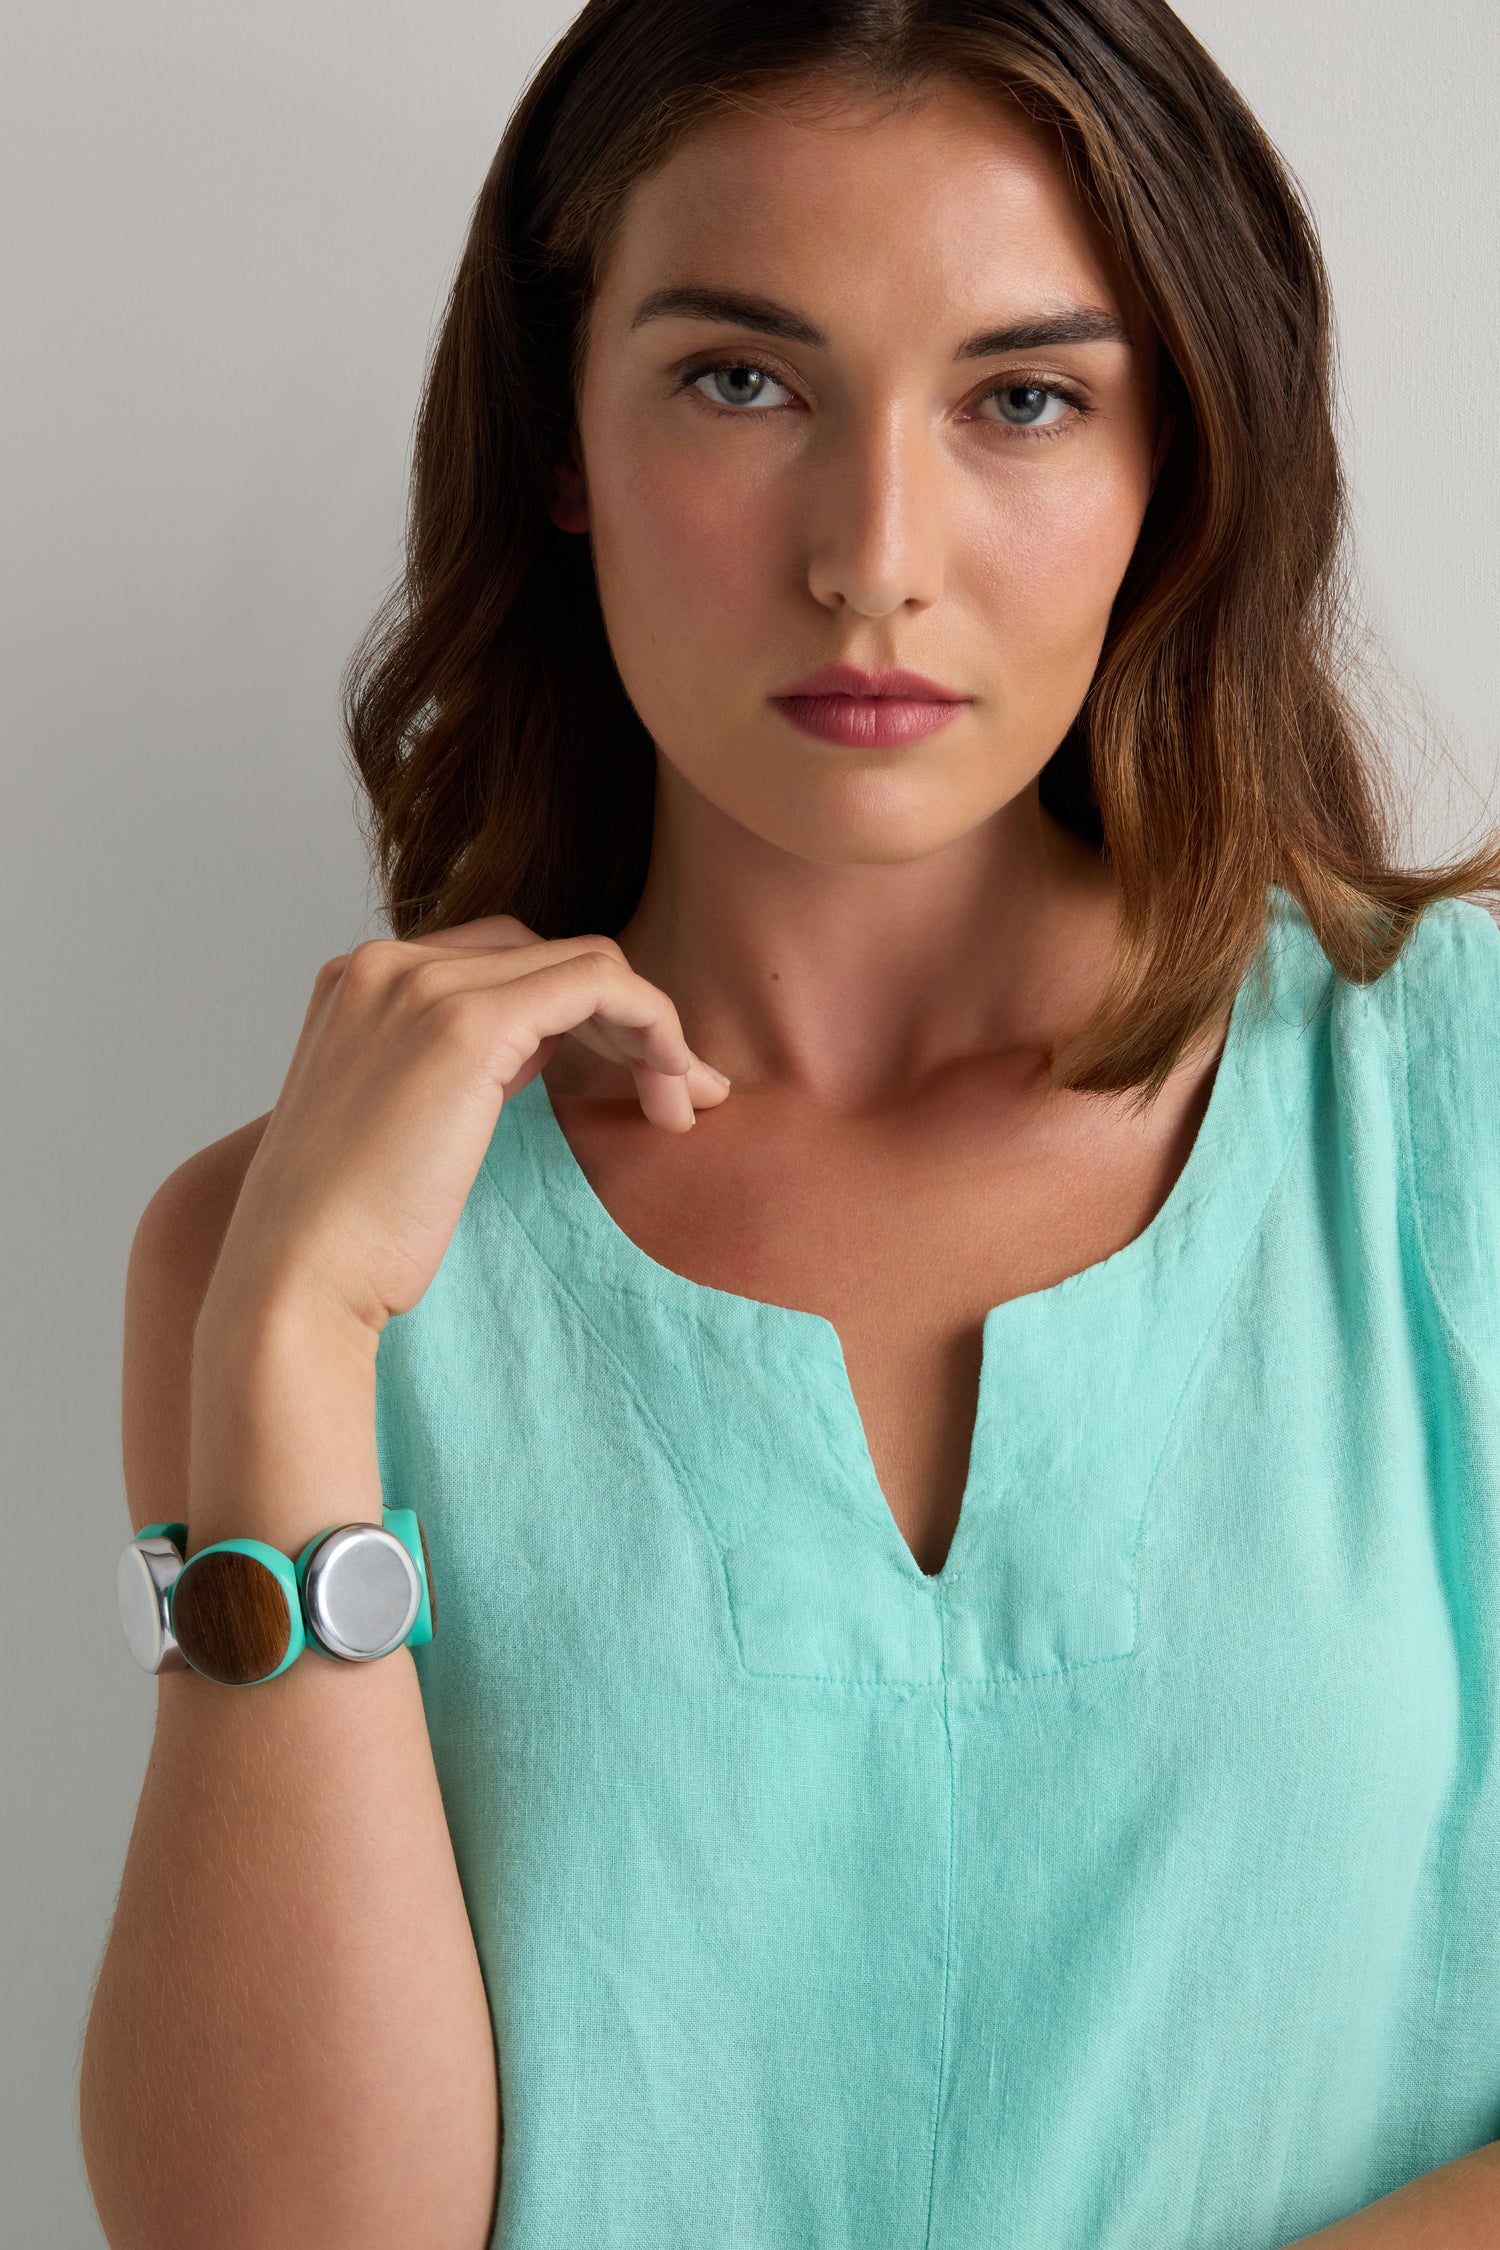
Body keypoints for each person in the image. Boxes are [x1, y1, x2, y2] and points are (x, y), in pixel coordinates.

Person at [80, 1, 1500, 2245]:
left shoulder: (1463, 1114)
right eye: (744, 379)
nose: (875, 553)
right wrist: (287, 1353)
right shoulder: (284, 1261)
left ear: (1179, 457)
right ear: (563, 426)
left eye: (1023, 397)